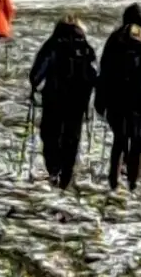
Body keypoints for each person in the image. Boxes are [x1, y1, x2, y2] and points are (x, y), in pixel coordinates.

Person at [97, 5, 141, 191]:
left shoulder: (115, 41)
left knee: (119, 140)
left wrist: (101, 100)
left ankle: (114, 181)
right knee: (139, 142)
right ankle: (133, 182)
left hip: (117, 100)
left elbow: (105, 72)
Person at [29, 18, 99, 187]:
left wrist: (35, 84)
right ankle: (66, 172)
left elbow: (38, 71)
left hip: (54, 97)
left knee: (50, 134)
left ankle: (54, 169)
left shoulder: (52, 44)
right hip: (78, 100)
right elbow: (94, 74)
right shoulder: (85, 47)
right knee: (71, 136)